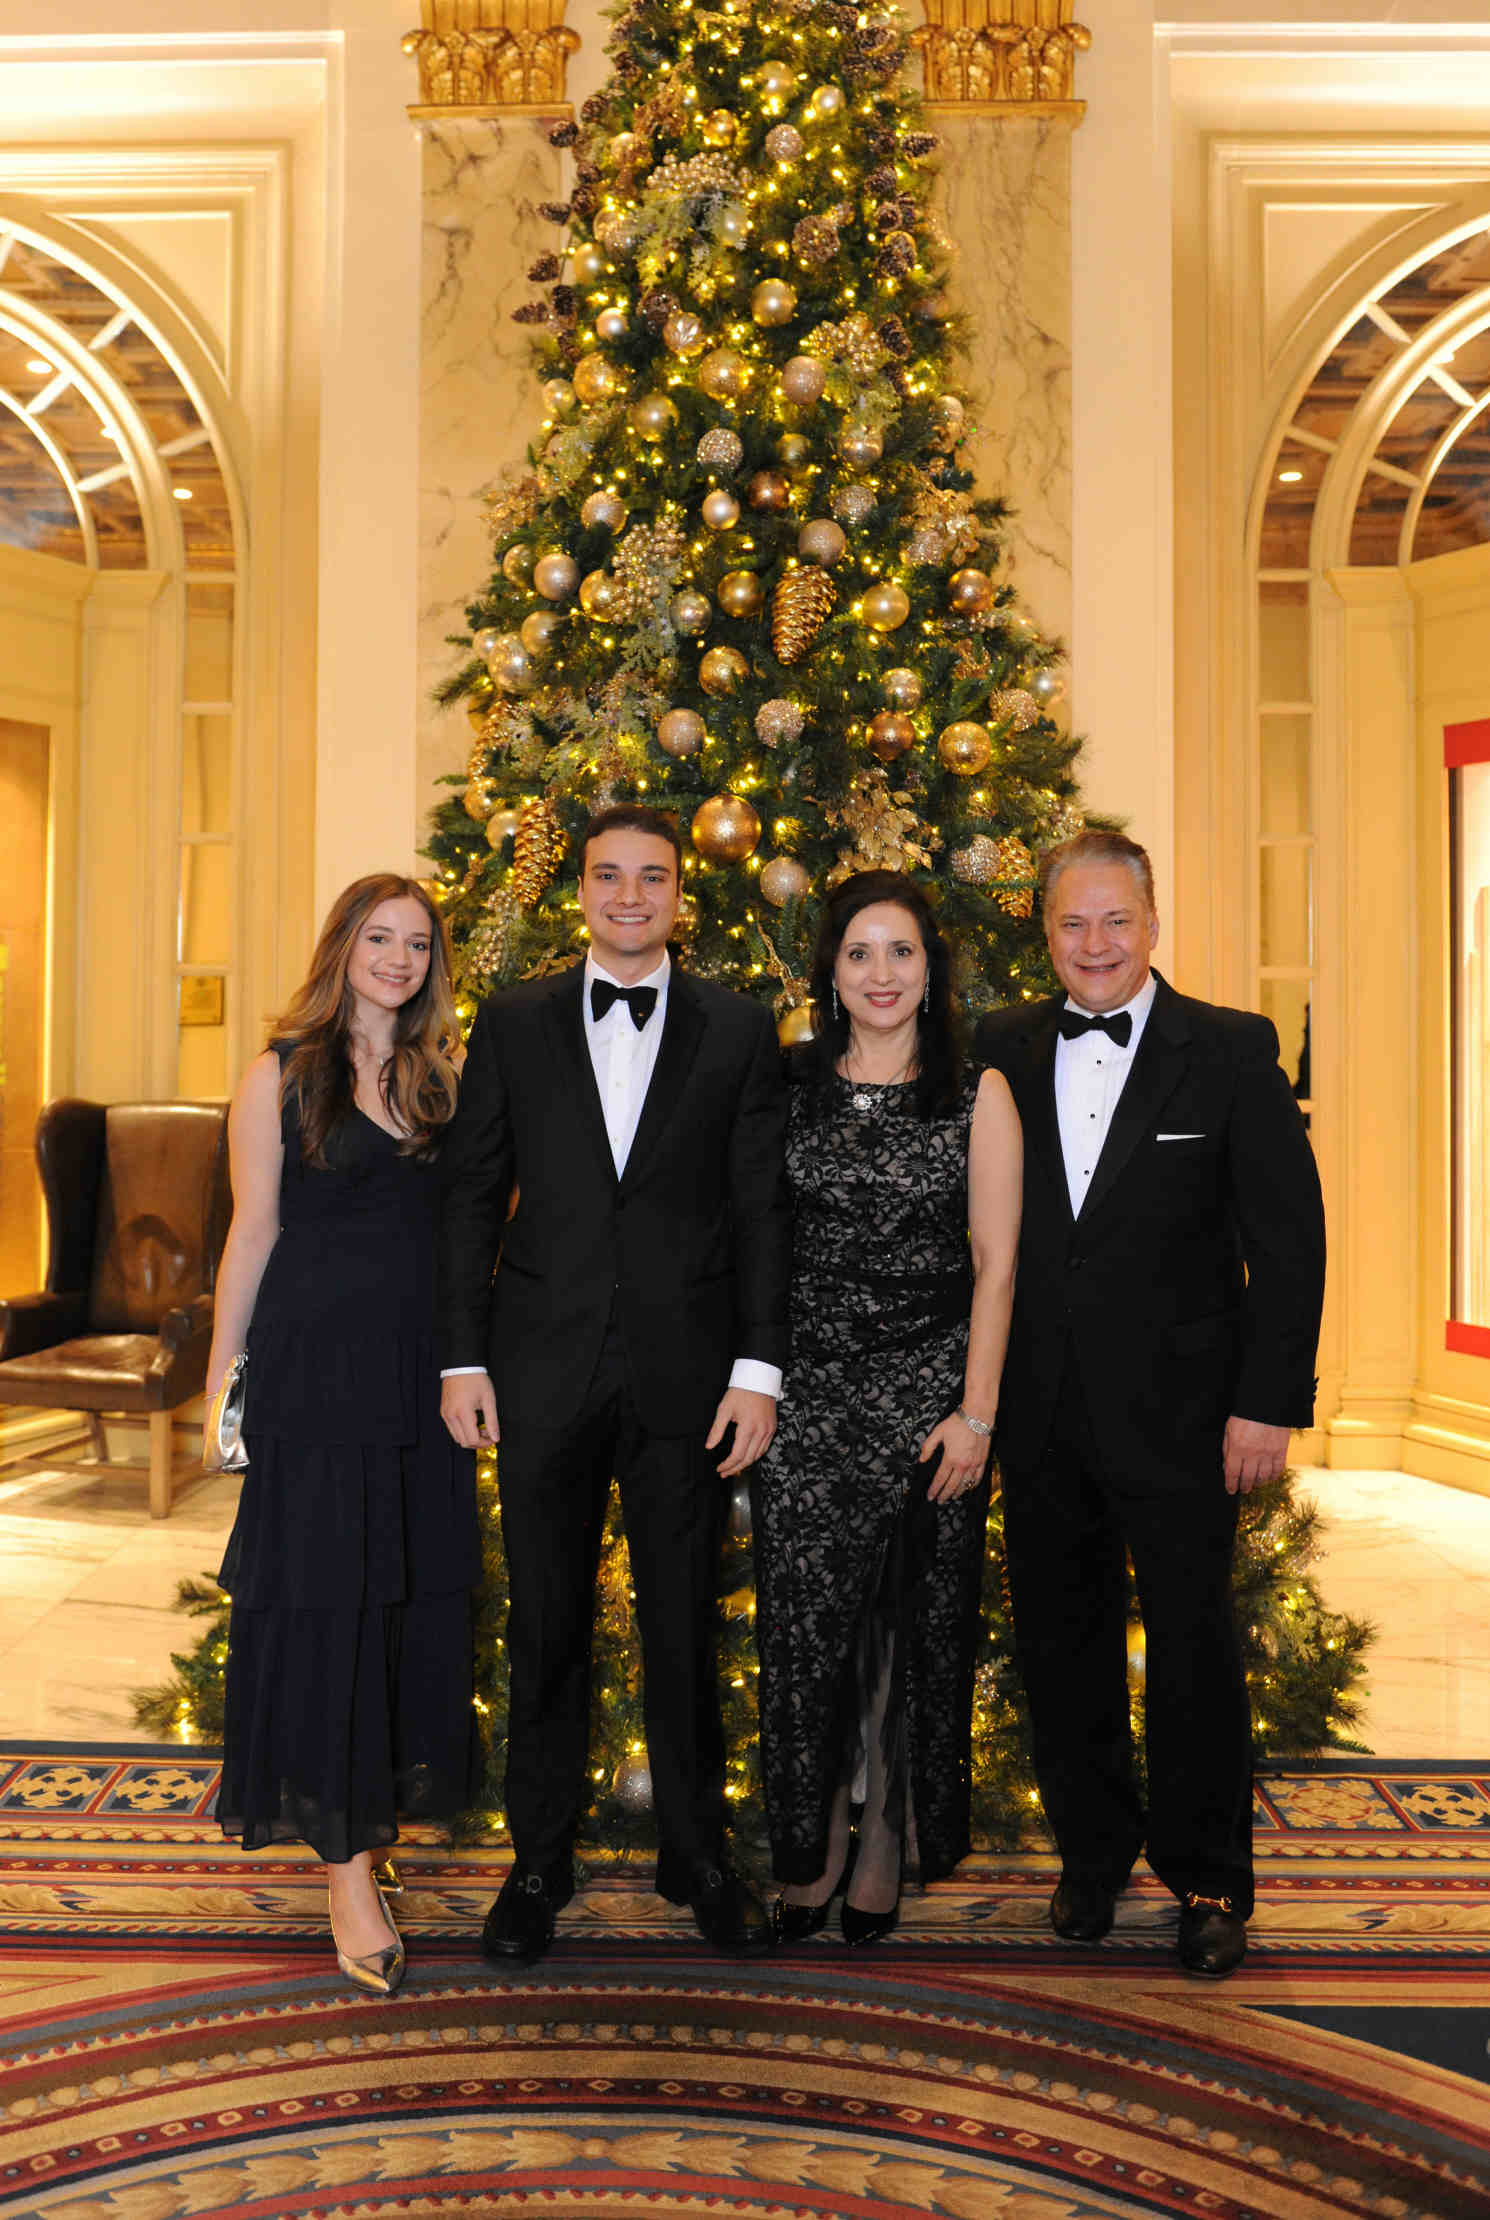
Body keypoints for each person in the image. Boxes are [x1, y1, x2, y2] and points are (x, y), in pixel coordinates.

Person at [437, 803, 791, 1964]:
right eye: (607, 876)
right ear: (578, 890)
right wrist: (462, 1355)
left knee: (681, 1626)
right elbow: (471, 1196)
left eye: (651, 877)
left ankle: (698, 1856)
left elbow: (760, 1209)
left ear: (680, 894)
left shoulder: (739, 1027)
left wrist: (756, 1370)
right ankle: (537, 1861)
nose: (629, 896)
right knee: (544, 1625)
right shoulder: (513, 1018)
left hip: (688, 1379)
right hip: (540, 1371)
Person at [974, 829, 1326, 1978]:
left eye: (1114, 920)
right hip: (1037, 1412)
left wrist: (1266, 1404)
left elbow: (1287, 1244)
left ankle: (1208, 1878)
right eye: (1071, 922)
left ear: (1152, 923)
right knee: (1058, 1643)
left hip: (1185, 1417)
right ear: (1044, 931)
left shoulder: (1227, 1050)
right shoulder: (1000, 1047)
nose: (1094, 944)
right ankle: (1090, 1856)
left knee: (1189, 1647)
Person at [208, 873, 479, 1997]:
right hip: (314, 1384)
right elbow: (251, 1234)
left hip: (419, 1388)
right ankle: (346, 1871)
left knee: (403, 1609)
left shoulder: (441, 1080)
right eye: (380, 938)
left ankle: (372, 1824)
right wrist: (223, 1383)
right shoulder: (278, 1076)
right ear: (343, 949)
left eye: (417, 943)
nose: (398, 959)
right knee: (330, 1614)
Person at [754, 871, 1023, 1945]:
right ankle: (814, 1830)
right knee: (809, 1633)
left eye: (900, 951)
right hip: (806, 1402)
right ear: (830, 972)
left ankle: (883, 1836)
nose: (880, 974)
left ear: (929, 969)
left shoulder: (977, 1094)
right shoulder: (787, 1087)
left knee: (910, 1634)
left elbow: (996, 1266)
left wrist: (976, 1416)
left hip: (929, 1401)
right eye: (859, 953)